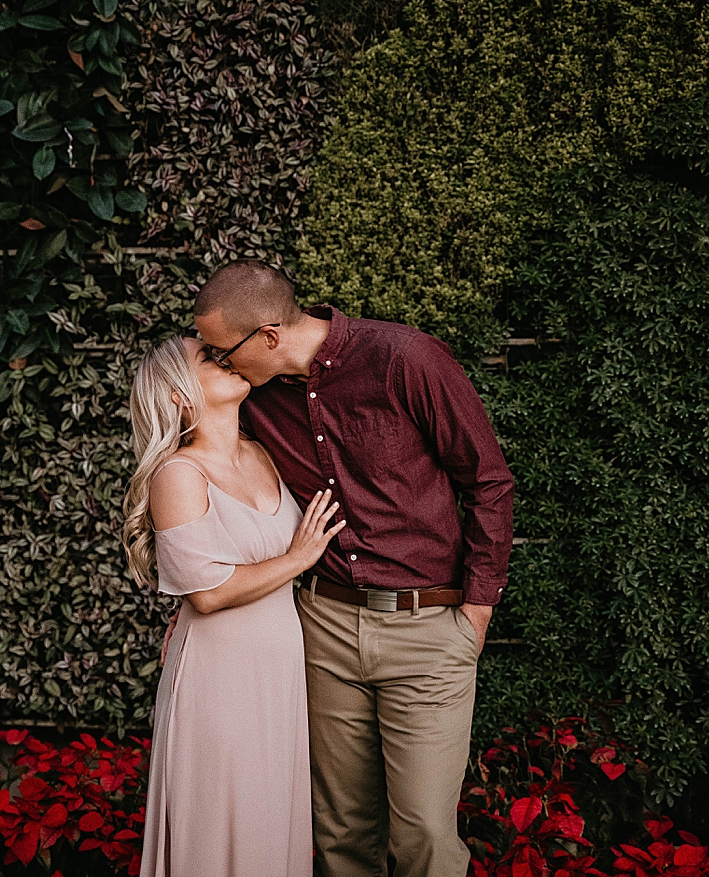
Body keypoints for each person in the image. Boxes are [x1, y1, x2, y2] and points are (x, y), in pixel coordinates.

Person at [191, 260, 515, 877]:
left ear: (267, 335)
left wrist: (476, 609)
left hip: (428, 629)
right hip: (324, 628)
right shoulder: (253, 400)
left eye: (220, 349)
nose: (218, 363)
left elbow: (489, 480)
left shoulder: (404, 359)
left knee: (423, 833)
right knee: (341, 831)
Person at [123, 334, 346, 877]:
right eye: (208, 358)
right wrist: (298, 560)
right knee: (224, 816)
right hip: (218, 676)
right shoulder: (178, 474)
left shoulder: (265, 452)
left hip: (279, 668)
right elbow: (208, 592)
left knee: (270, 817)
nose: (225, 359)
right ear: (177, 394)